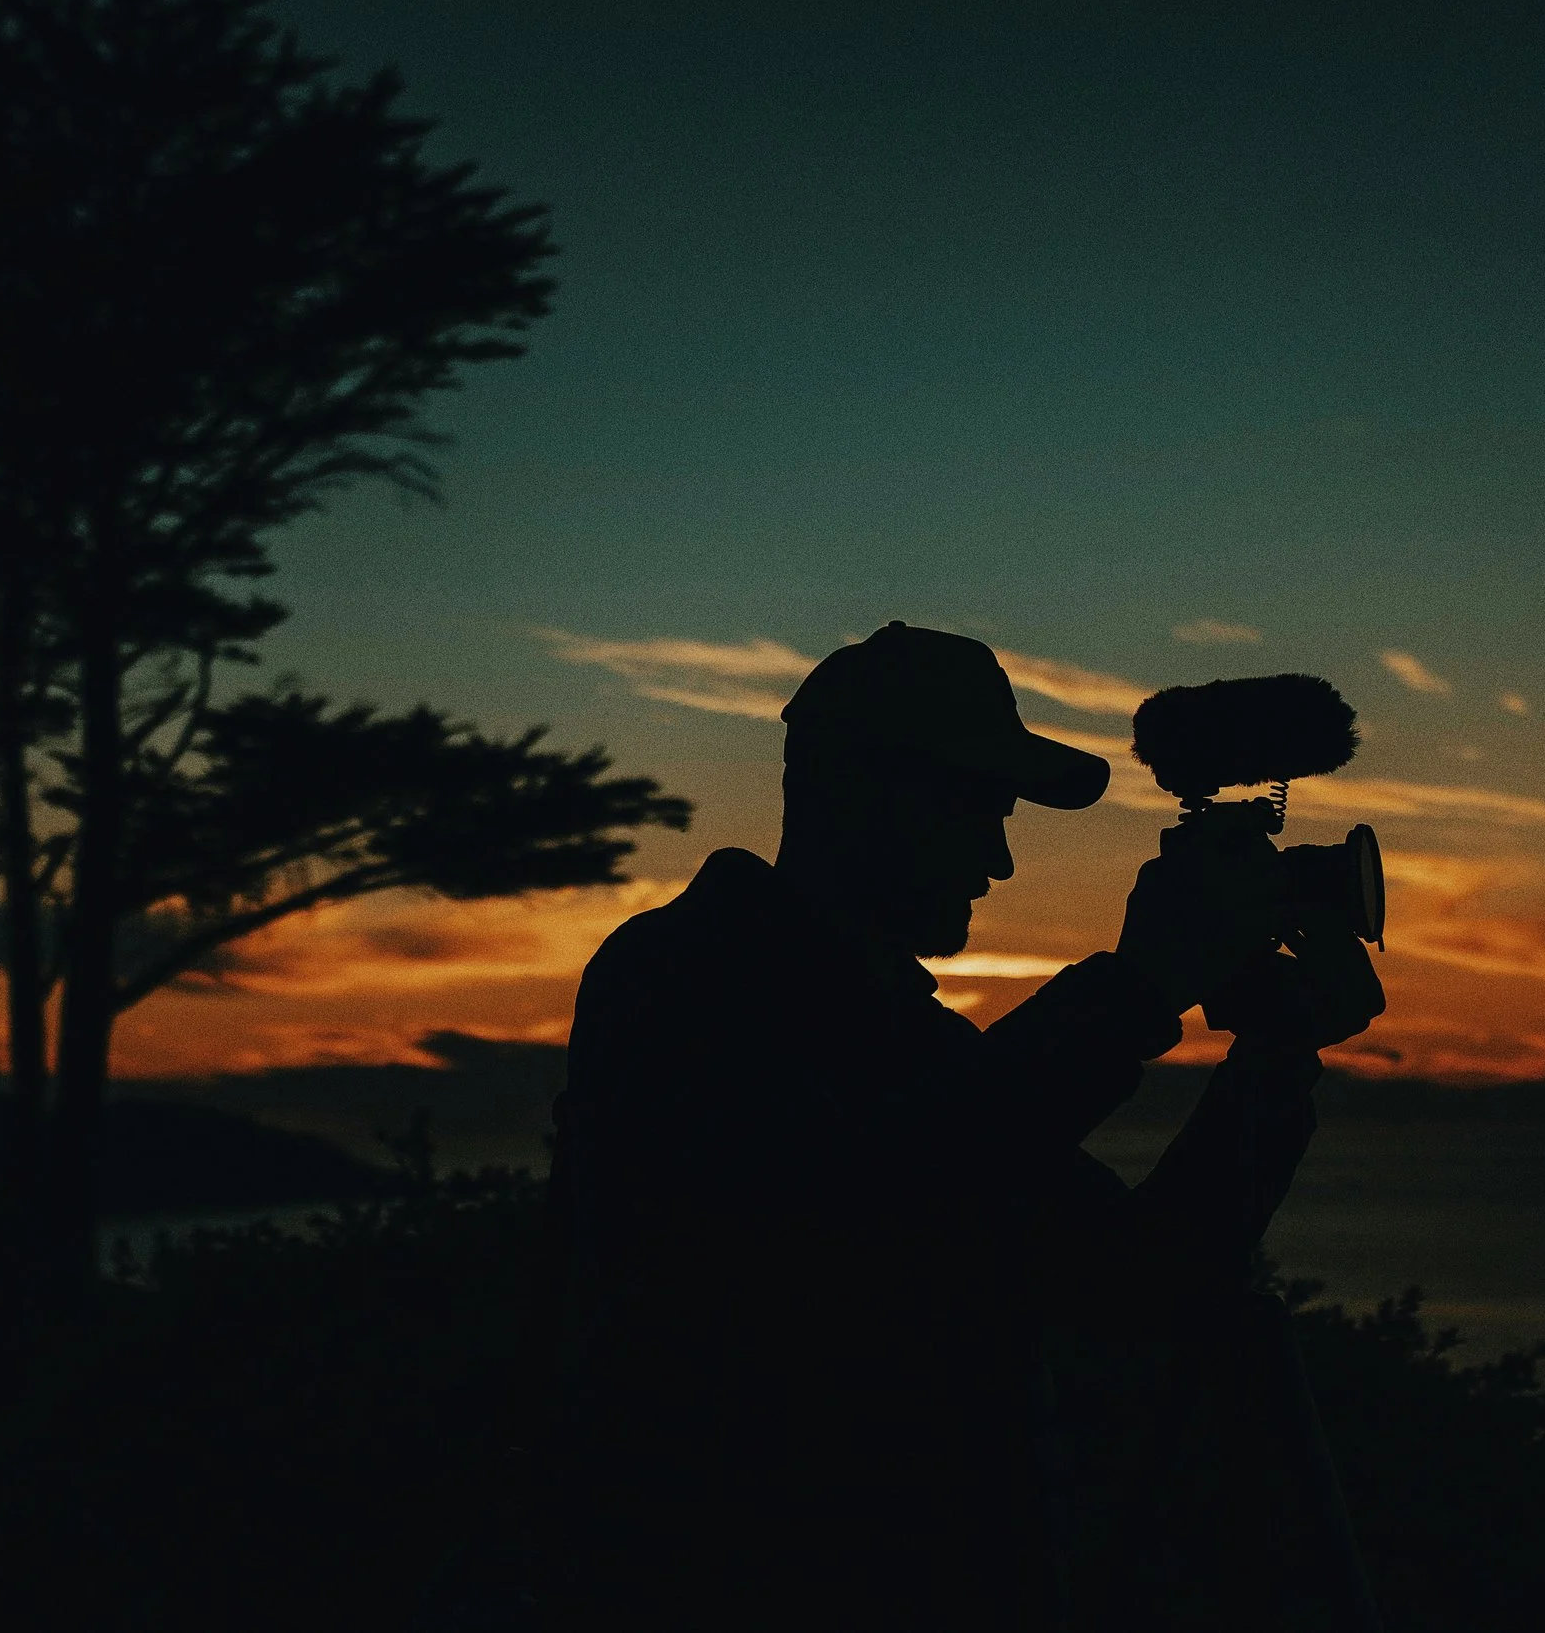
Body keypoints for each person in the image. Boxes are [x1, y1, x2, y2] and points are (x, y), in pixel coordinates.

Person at [538, 621, 1384, 1631]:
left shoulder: (912, 1041)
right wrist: (1137, 987)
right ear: (868, 790)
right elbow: (843, 1217)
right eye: (978, 807)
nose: (999, 859)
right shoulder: (678, 977)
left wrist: (1275, 1056)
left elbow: (1138, 1278)